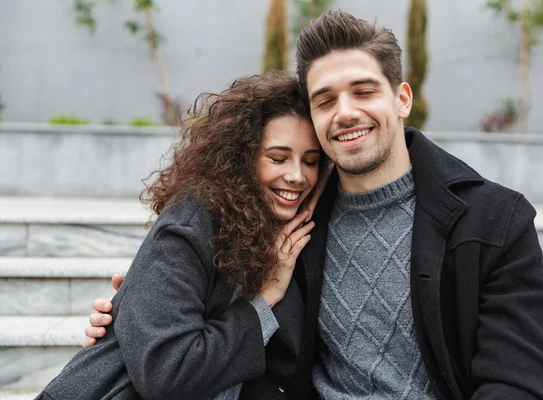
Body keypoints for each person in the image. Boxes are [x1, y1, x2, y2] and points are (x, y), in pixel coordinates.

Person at [87, 10, 543, 400]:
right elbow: (194, 332)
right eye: (325, 100)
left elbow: (519, 385)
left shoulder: (496, 221)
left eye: (363, 91)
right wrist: (130, 317)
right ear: (313, 117)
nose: (346, 111)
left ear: (402, 98)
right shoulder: (279, 224)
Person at [36, 73, 330, 400]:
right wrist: (265, 299)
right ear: (242, 157)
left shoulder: (295, 234)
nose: (296, 176)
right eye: (277, 158)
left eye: (311, 161)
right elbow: (167, 372)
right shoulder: (193, 222)